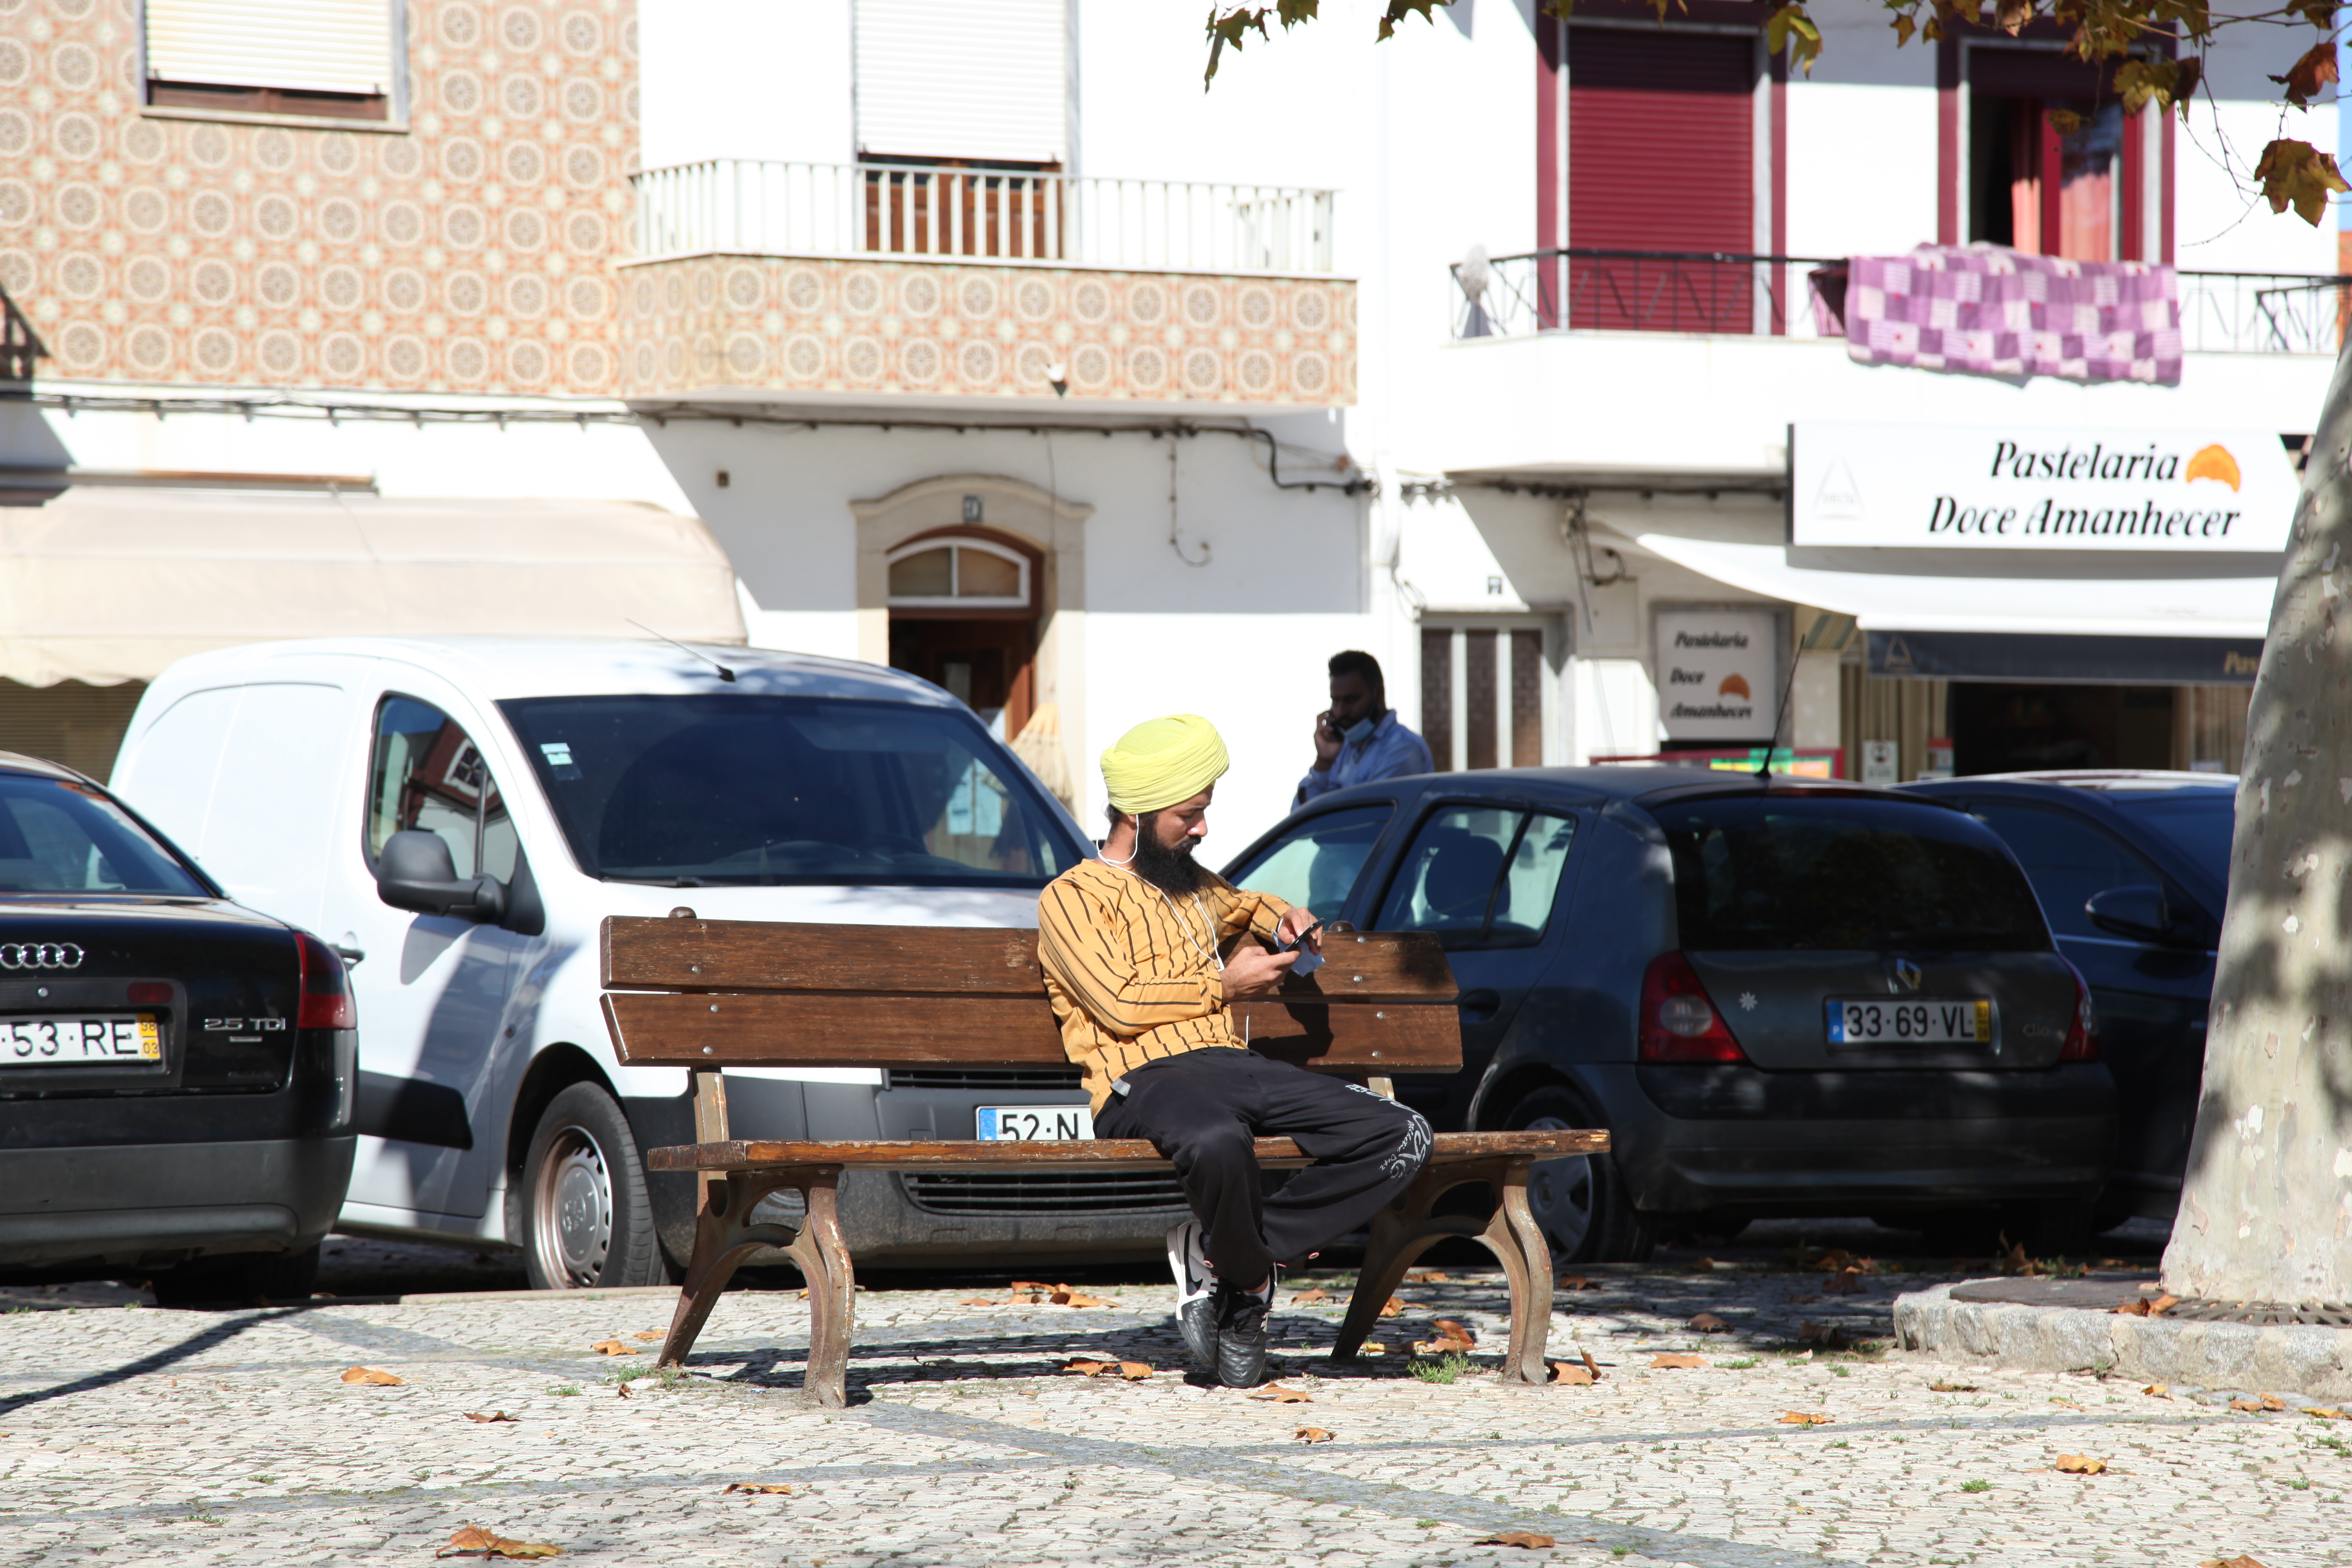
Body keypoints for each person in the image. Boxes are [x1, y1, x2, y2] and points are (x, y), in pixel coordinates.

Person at [1036, 714, 1433, 1387]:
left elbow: (1244, 903)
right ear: (1138, 811)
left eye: (1205, 812)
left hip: (1232, 1066)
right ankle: (1250, 1292)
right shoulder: (1071, 898)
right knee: (1221, 1143)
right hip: (1144, 1077)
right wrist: (1225, 983)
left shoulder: (1191, 884)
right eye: (1189, 815)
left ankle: (1223, 1256)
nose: (1202, 829)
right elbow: (1120, 1005)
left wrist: (1282, 917)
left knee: (1405, 1134)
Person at [1297, 650, 1434, 805]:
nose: (1341, 712)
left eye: (1351, 700)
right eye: (1336, 701)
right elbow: (1300, 813)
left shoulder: (1403, 748)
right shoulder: (1342, 747)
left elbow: (1365, 818)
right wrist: (1324, 762)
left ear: (1379, 694)